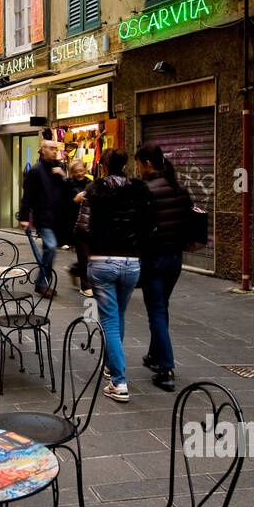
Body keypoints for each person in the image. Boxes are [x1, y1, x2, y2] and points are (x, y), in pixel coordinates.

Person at [76, 147, 154, 402]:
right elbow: (148, 225)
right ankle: (110, 366)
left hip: (102, 261)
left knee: (109, 319)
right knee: (118, 315)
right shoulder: (139, 190)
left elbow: (82, 228)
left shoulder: (95, 190)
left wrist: (87, 260)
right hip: (131, 262)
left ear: (104, 165)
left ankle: (119, 382)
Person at [135, 142, 194, 393]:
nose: (137, 170)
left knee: (157, 310)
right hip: (175, 259)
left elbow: (139, 227)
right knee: (162, 306)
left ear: (147, 163)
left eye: (138, 164)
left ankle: (166, 368)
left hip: (154, 258)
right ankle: (154, 354)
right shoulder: (179, 188)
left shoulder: (146, 190)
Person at [19, 140, 69, 298]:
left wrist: (64, 176)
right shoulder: (35, 170)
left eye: (56, 149)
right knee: (51, 247)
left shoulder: (60, 168)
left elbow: (68, 191)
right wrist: (24, 217)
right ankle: (41, 282)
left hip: (57, 218)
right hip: (43, 217)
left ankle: (43, 282)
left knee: (50, 251)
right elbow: (27, 196)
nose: (54, 152)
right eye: (51, 149)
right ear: (42, 150)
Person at [65, 158, 90, 291]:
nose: (80, 173)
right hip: (75, 222)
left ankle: (74, 270)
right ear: (72, 172)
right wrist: (75, 199)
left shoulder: (89, 182)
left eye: (81, 170)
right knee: (83, 254)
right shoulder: (69, 184)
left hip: (88, 222)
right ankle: (85, 285)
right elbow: (65, 202)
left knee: (87, 254)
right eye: (76, 171)